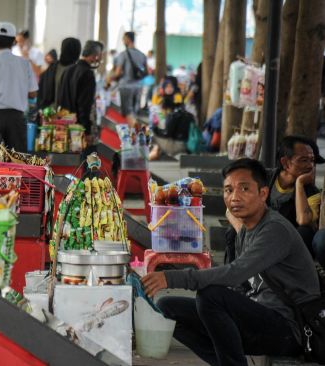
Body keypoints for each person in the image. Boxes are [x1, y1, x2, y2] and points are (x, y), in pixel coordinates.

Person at [143, 158, 320, 366]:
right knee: (168, 308)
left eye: (244, 189)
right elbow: (240, 283)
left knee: (210, 296)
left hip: (290, 330)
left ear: (263, 194)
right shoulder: (246, 229)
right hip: (258, 316)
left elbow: (234, 273)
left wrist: (171, 278)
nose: (234, 197)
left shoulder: (275, 230)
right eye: (228, 190)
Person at [0, 22, 37, 152]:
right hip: (17, 119)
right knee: (18, 161)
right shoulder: (24, 64)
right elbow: (33, 93)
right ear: (14, 42)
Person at [268, 135, 324, 254]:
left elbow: (303, 220)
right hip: (262, 231)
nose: (310, 166)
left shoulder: (312, 191)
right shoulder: (264, 178)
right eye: (304, 160)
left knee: (304, 232)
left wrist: (299, 184)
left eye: (312, 160)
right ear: (285, 163)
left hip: (288, 239)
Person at [57, 40, 104, 146]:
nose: (100, 59)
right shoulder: (88, 74)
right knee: (83, 159)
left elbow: (61, 98)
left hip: (64, 123)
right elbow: (84, 105)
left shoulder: (68, 70)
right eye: (100, 56)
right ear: (94, 56)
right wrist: (86, 131)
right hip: (78, 129)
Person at [112, 31, 147, 128]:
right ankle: (136, 135)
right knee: (134, 112)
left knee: (128, 113)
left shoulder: (123, 54)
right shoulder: (142, 55)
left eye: (124, 39)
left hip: (126, 87)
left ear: (128, 39)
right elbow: (146, 72)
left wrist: (110, 78)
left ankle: (134, 136)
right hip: (138, 87)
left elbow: (117, 73)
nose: (123, 41)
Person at [37, 37, 81, 111]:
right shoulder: (78, 71)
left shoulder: (52, 68)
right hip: (69, 117)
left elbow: (41, 93)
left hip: (49, 114)